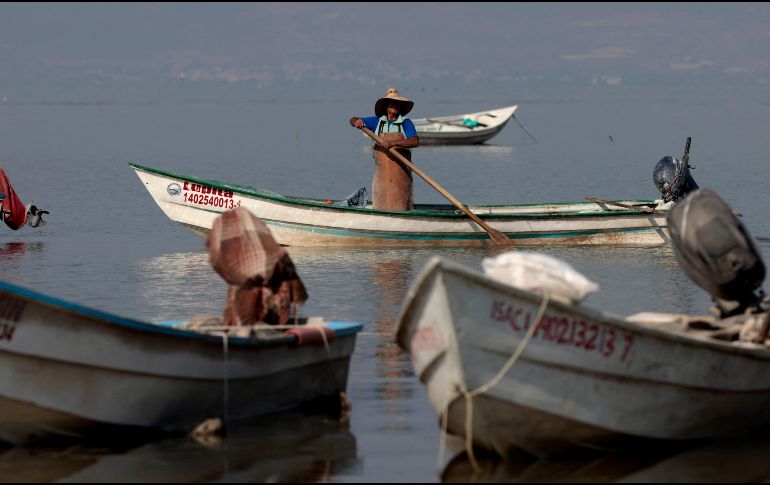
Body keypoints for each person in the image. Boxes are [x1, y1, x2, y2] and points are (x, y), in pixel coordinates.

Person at [350, 87, 419, 211]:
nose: (395, 105)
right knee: (381, 202)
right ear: (386, 106)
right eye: (392, 103)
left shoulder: (405, 123)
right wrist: (357, 121)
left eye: (398, 103)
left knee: (401, 204)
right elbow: (352, 119)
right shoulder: (377, 122)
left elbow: (415, 141)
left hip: (401, 174)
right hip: (381, 175)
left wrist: (392, 143)